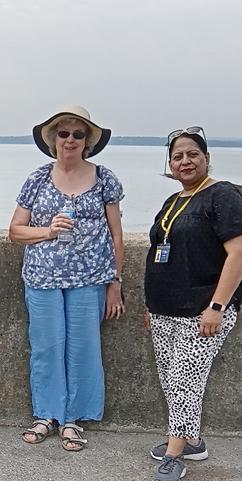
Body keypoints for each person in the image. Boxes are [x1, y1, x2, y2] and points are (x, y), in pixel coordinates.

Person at [8, 105, 124, 451]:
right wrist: (48, 231)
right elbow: (15, 231)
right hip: (42, 278)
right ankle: (46, 414)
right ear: (53, 139)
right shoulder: (37, 179)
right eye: (63, 133)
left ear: (87, 141)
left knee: (84, 348)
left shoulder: (105, 178)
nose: (70, 140)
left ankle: (73, 419)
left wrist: (114, 283)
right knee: (46, 347)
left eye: (77, 134)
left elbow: (117, 236)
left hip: (90, 279)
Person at [143, 127, 242, 481]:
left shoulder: (223, 195)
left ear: (206, 158)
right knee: (172, 381)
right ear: (170, 164)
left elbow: (238, 253)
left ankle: (174, 455)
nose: (184, 161)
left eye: (192, 154)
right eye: (177, 156)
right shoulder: (174, 201)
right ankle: (192, 441)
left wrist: (217, 306)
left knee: (185, 379)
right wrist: (151, 304)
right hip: (164, 310)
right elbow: (161, 254)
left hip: (202, 310)